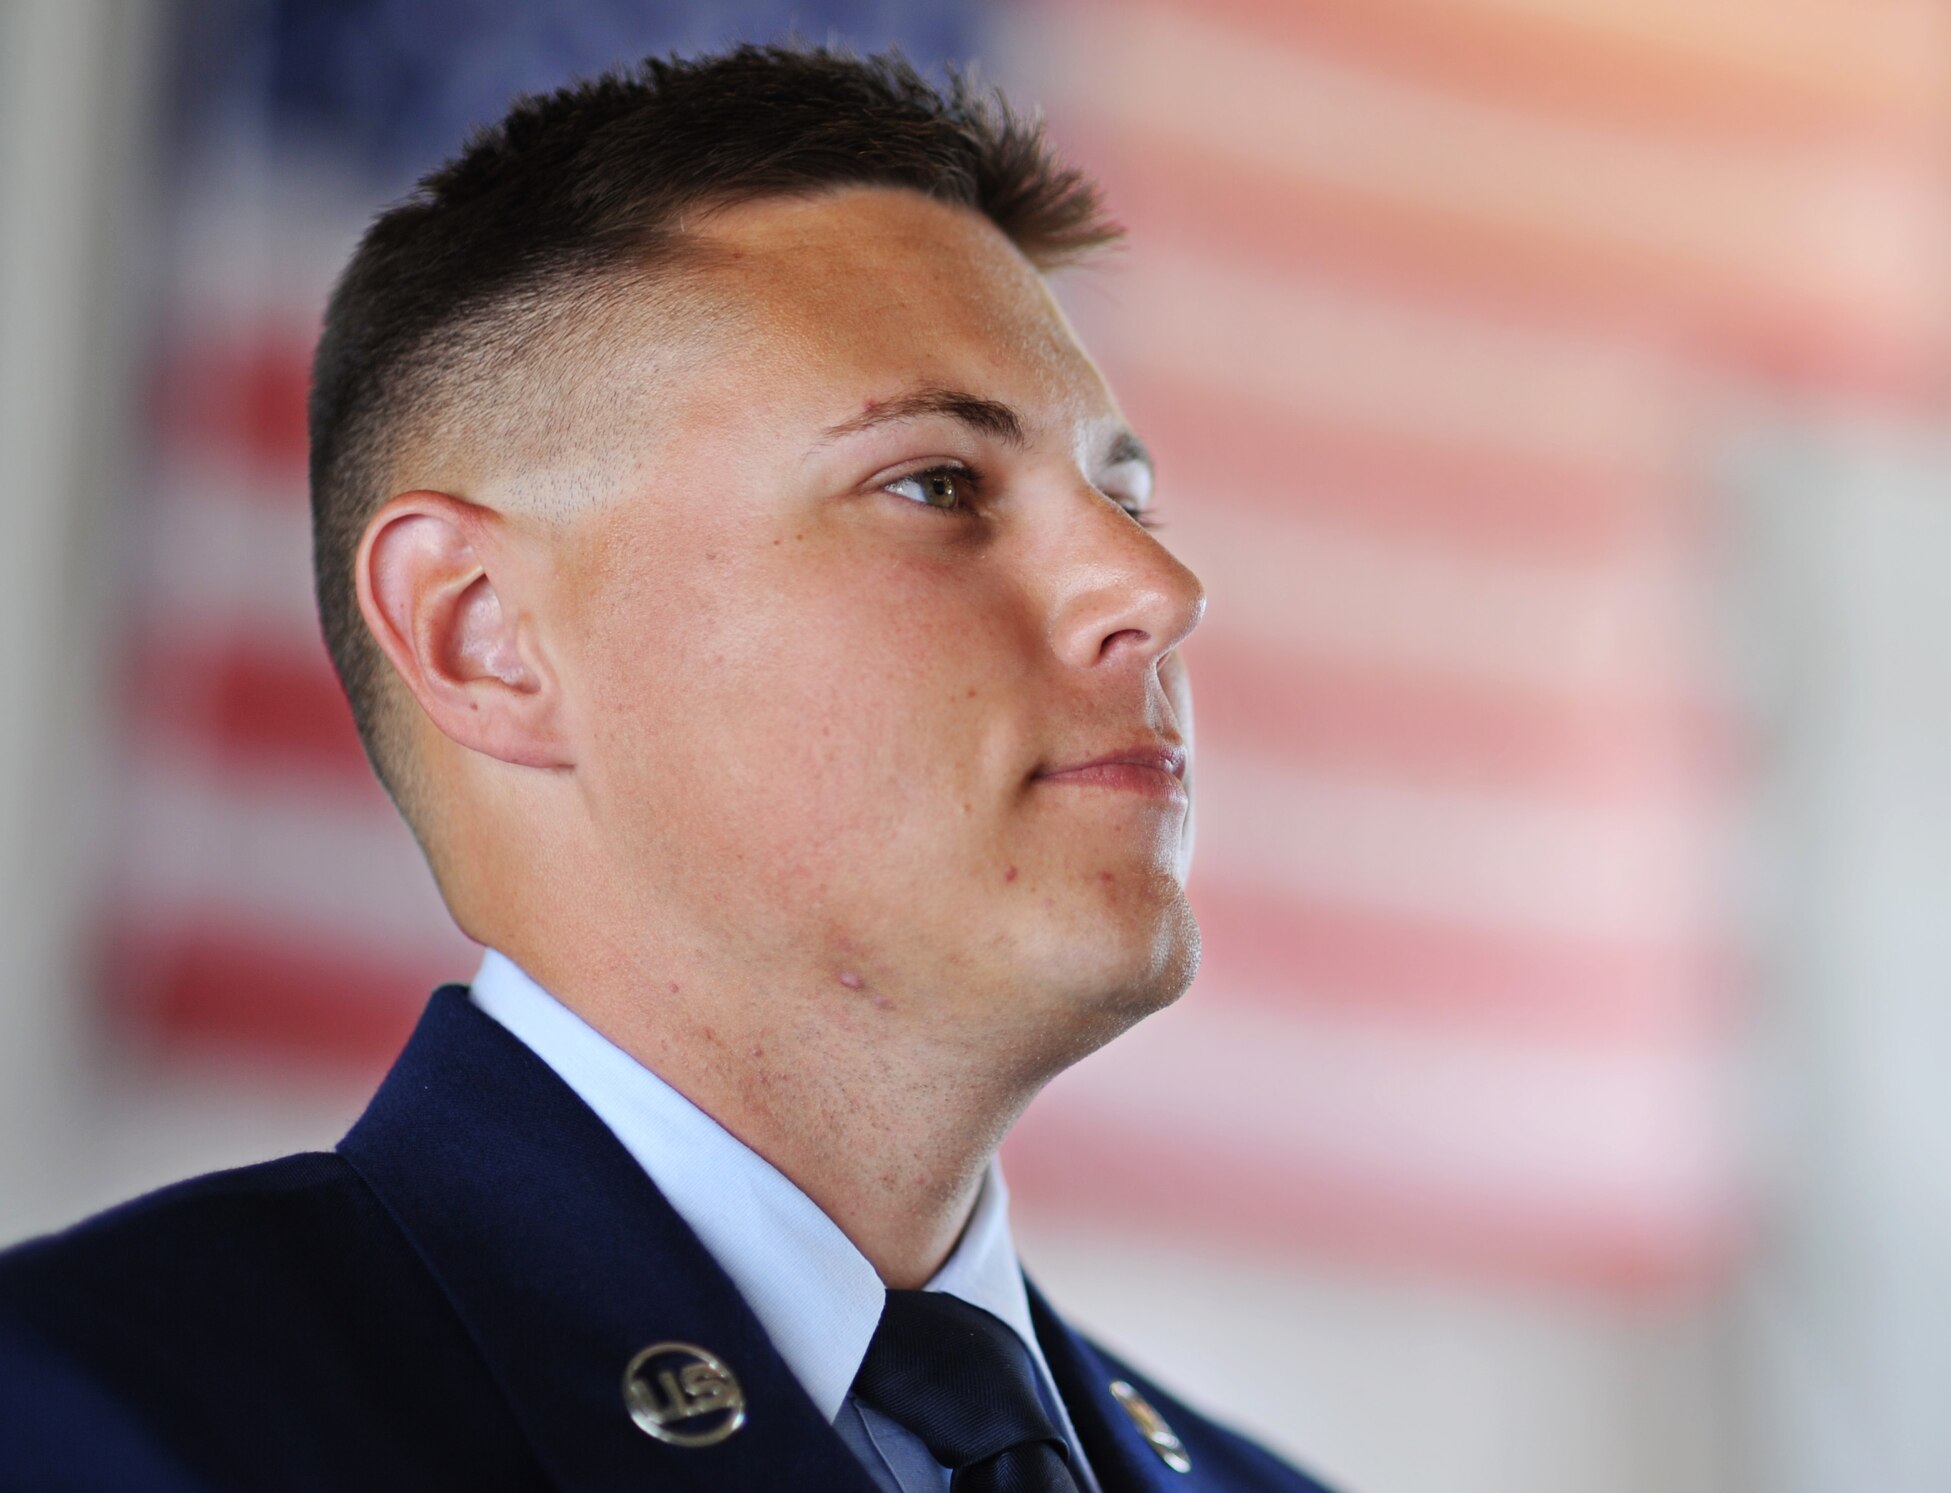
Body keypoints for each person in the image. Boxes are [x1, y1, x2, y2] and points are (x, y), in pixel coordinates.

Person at [0, 45, 1334, 1493]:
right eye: (935, 481)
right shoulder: (80, 1424)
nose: (1154, 582)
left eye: (1124, 496)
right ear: (484, 636)